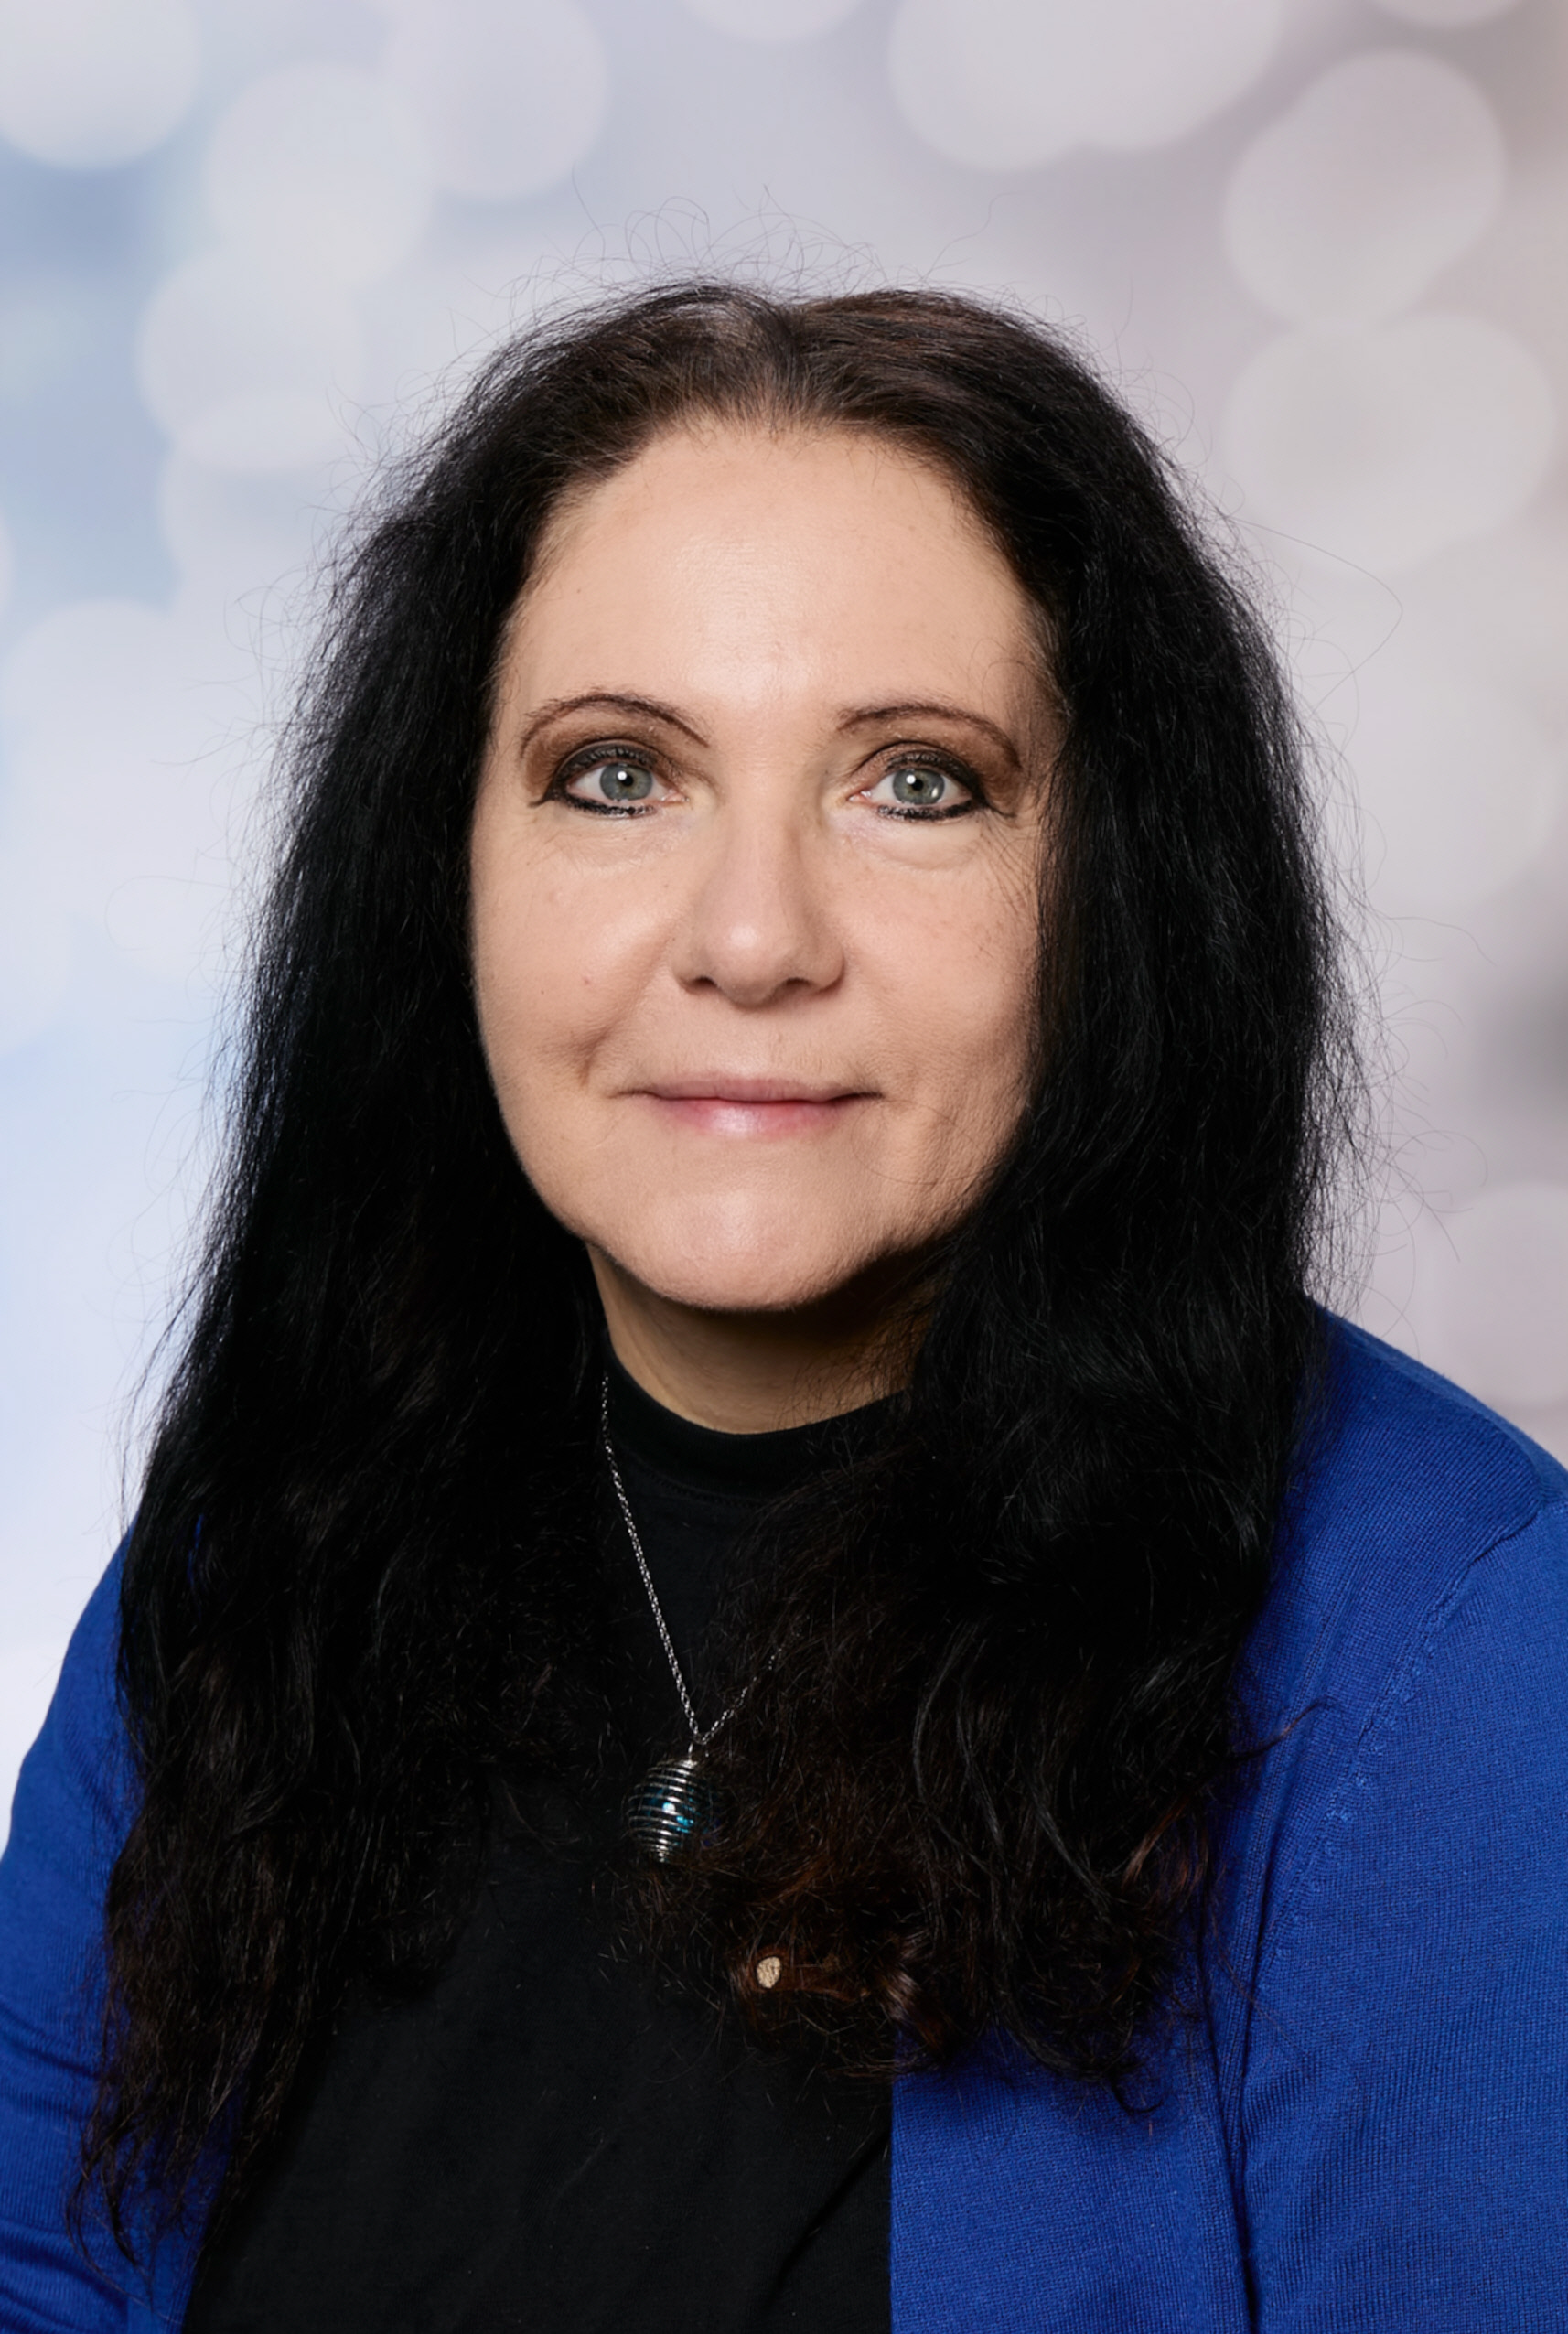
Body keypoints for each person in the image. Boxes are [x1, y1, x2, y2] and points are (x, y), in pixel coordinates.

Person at [1, 279, 1564, 2333]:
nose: (750, 941)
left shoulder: (1459, 1662)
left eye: (915, 783)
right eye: (614, 774)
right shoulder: (267, 1545)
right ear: (443, 864)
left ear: (1115, 886)